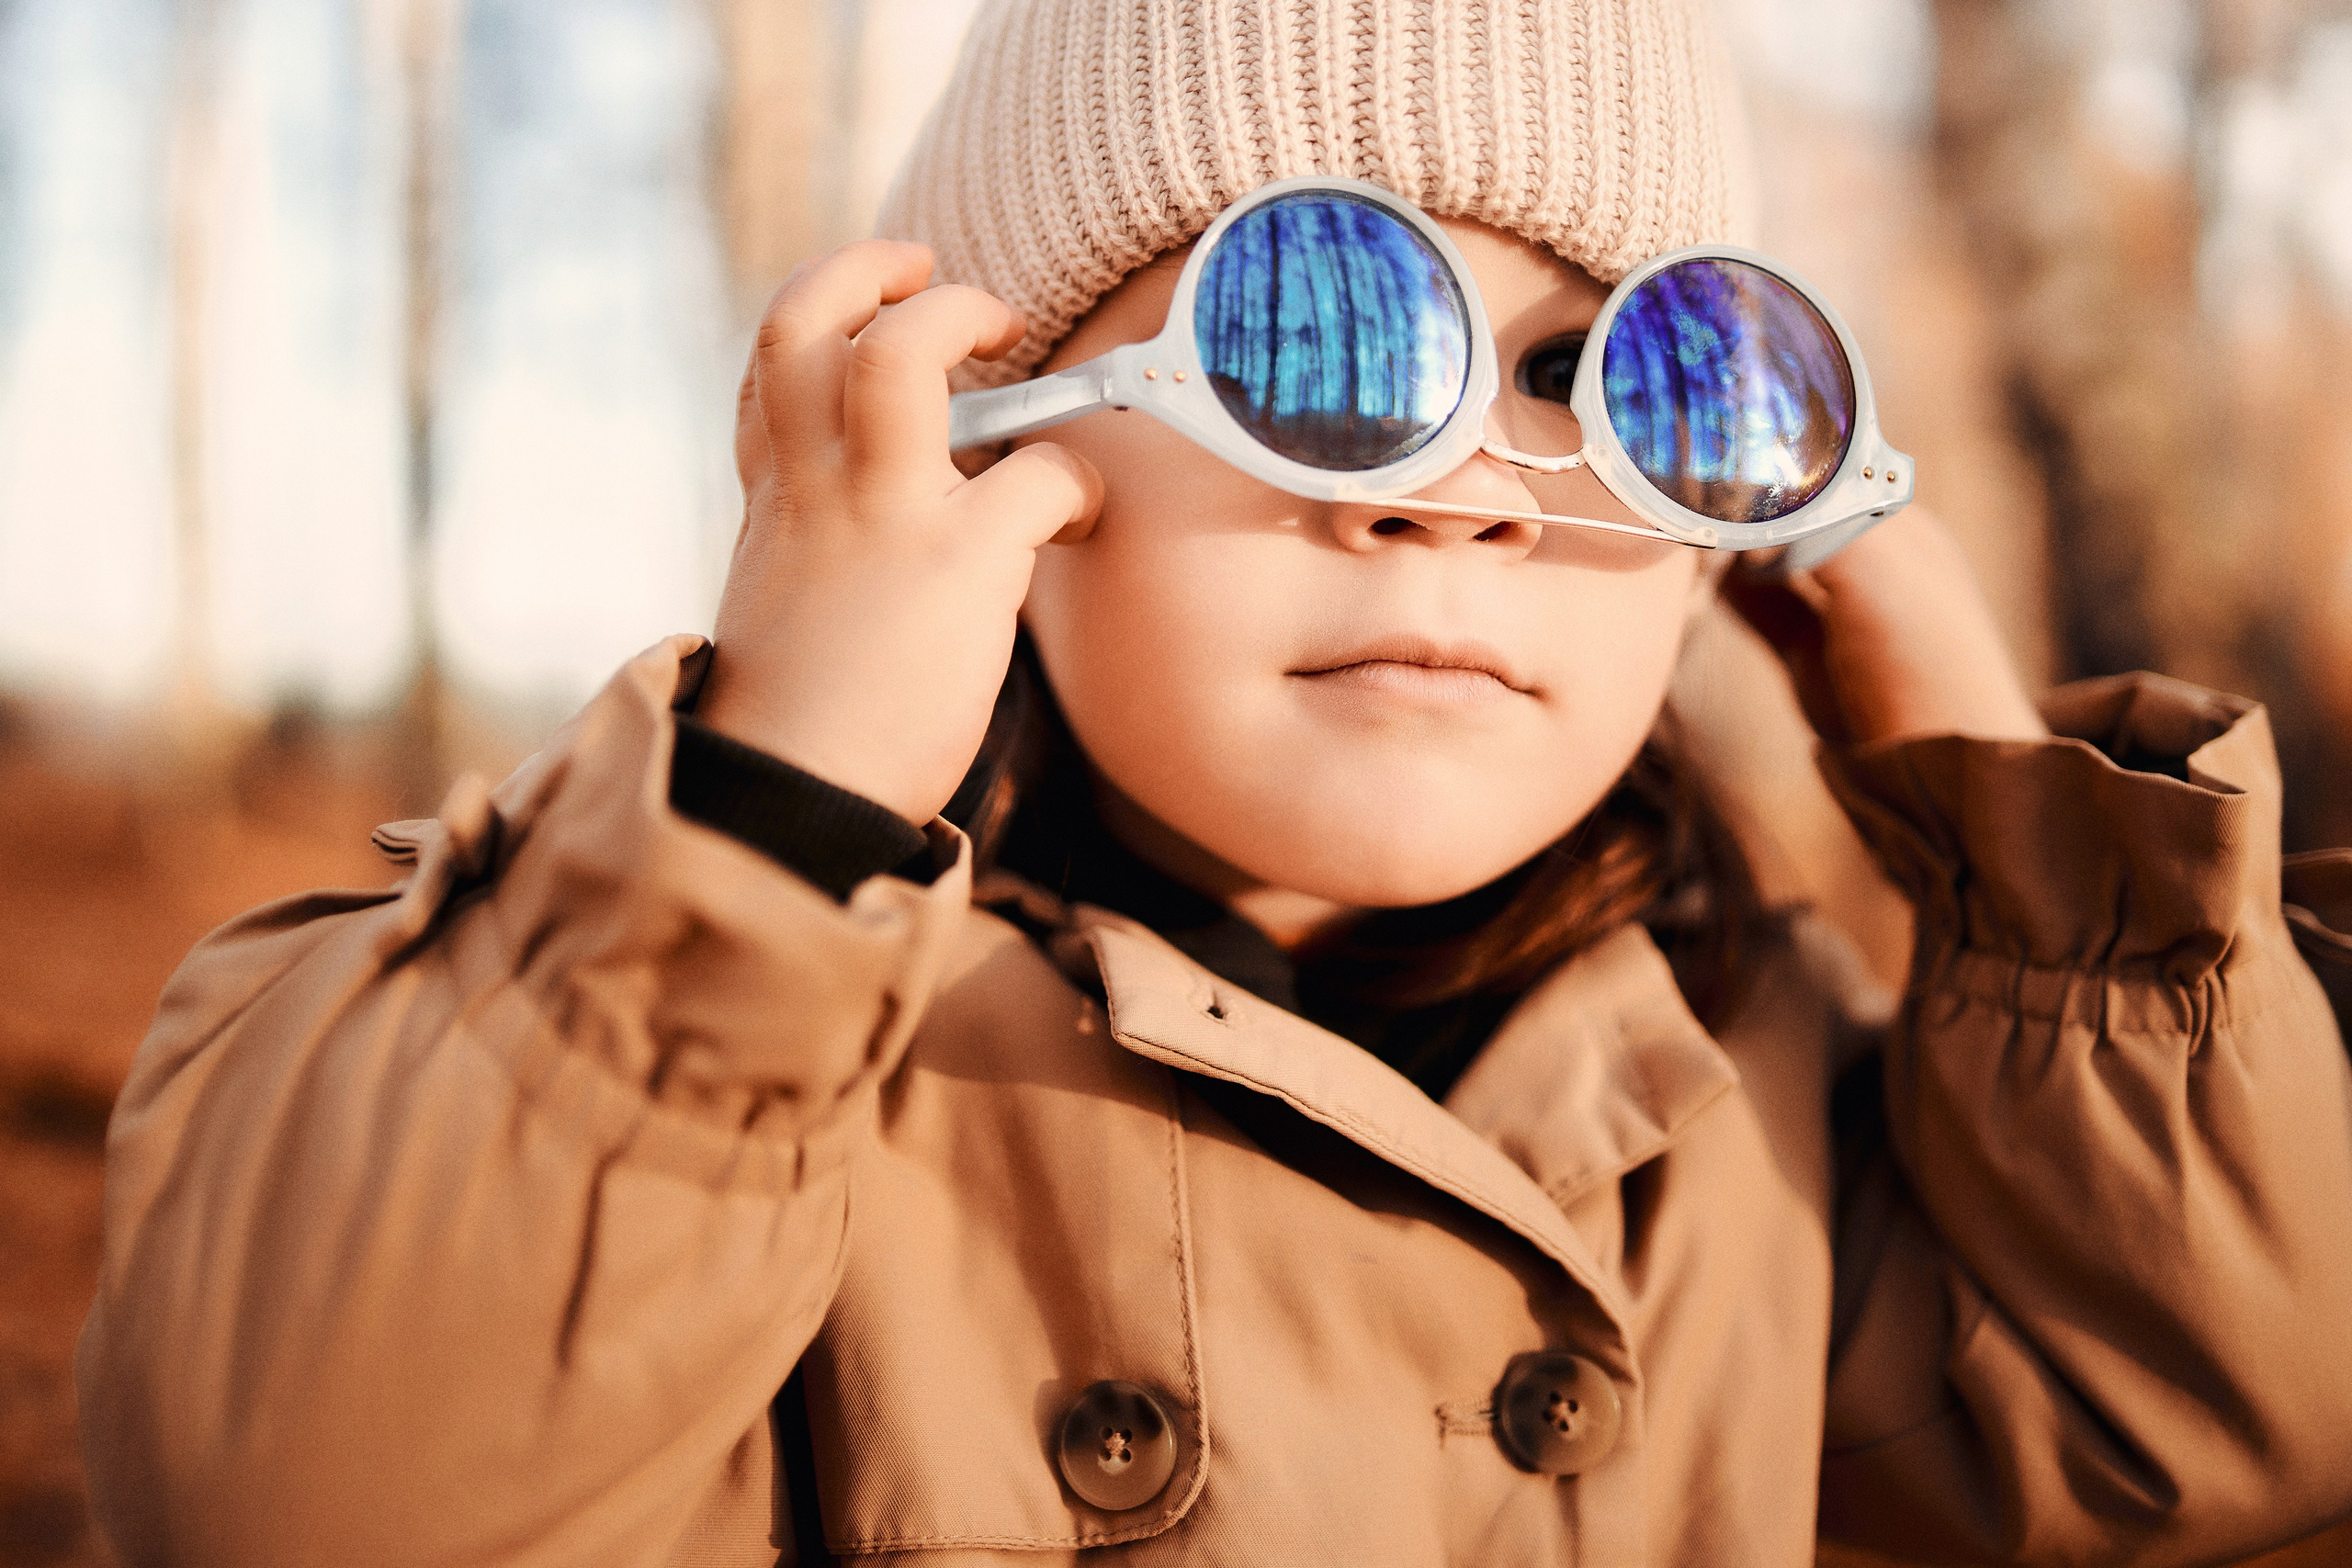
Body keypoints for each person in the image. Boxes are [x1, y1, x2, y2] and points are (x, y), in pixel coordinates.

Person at [75, 0, 2352, 1563]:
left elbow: (2220, 1415)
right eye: (1319, 334)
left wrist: (2015, 814)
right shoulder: (631, 1046)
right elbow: (315, 1485)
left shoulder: (1752, 1112)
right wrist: (775, 805)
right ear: (973, 442)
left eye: (1614, 367)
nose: (1466, 491)